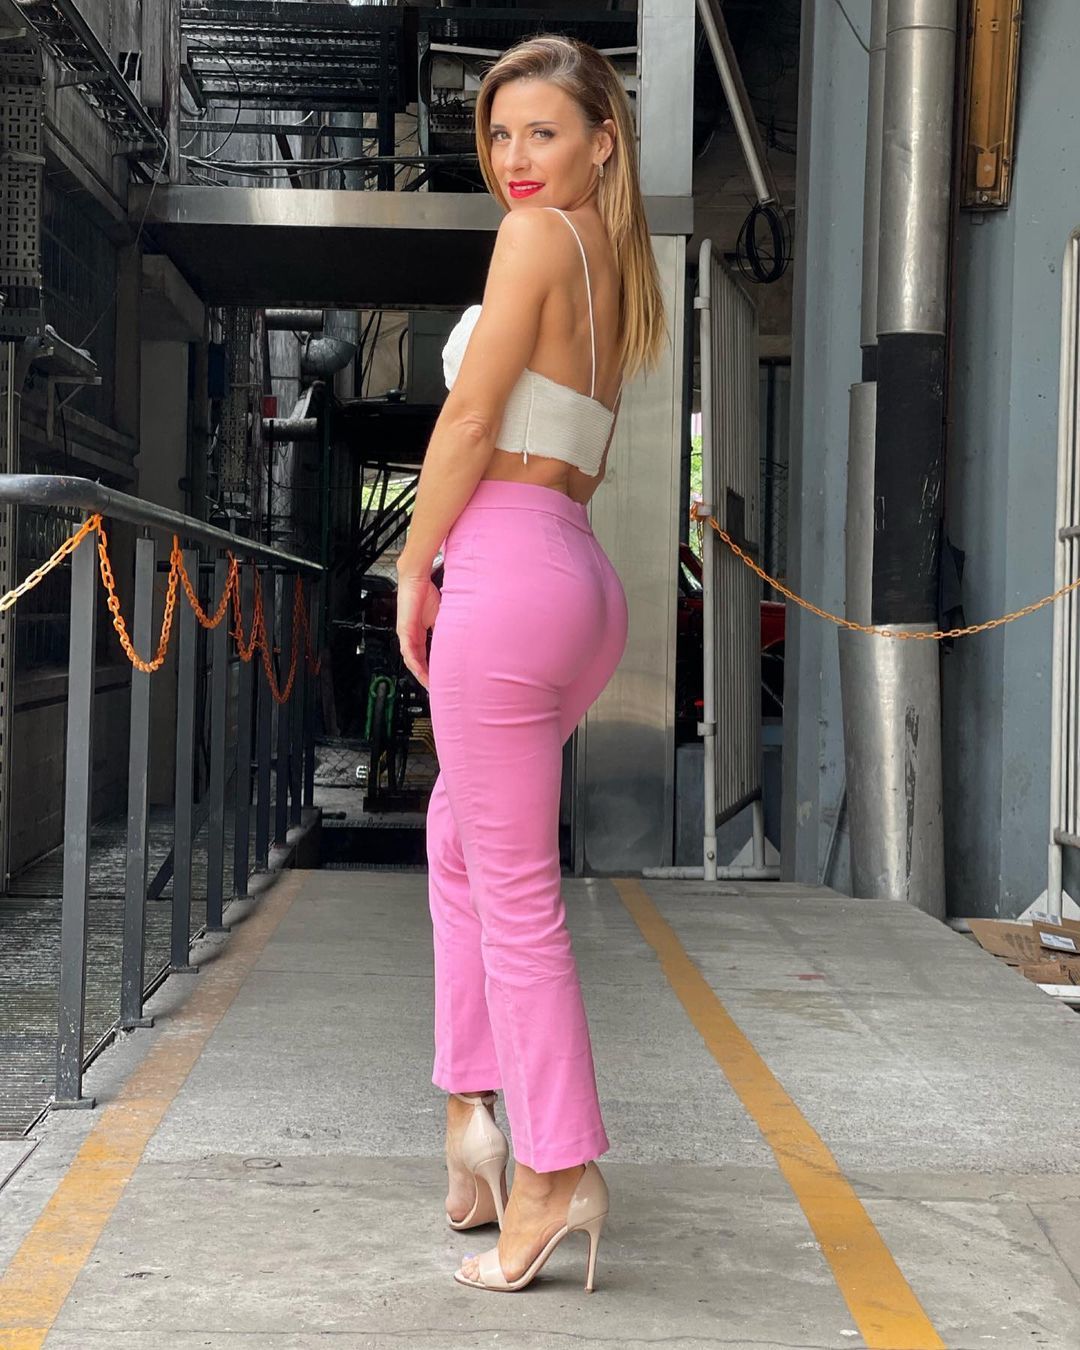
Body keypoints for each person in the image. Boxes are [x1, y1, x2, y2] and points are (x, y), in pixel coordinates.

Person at [394, 32, 667, 1294]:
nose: (515, 156)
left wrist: (414, 564)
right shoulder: (615, 264)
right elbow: (574, 450)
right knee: (460, 841)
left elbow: (467, 417)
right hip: (575, 576)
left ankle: (557, 1169)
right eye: (499, 133)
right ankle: (471, 1118)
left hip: (505, 576)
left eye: (543, 132)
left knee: (513, 893)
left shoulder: (535, 238)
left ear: (602, 143)